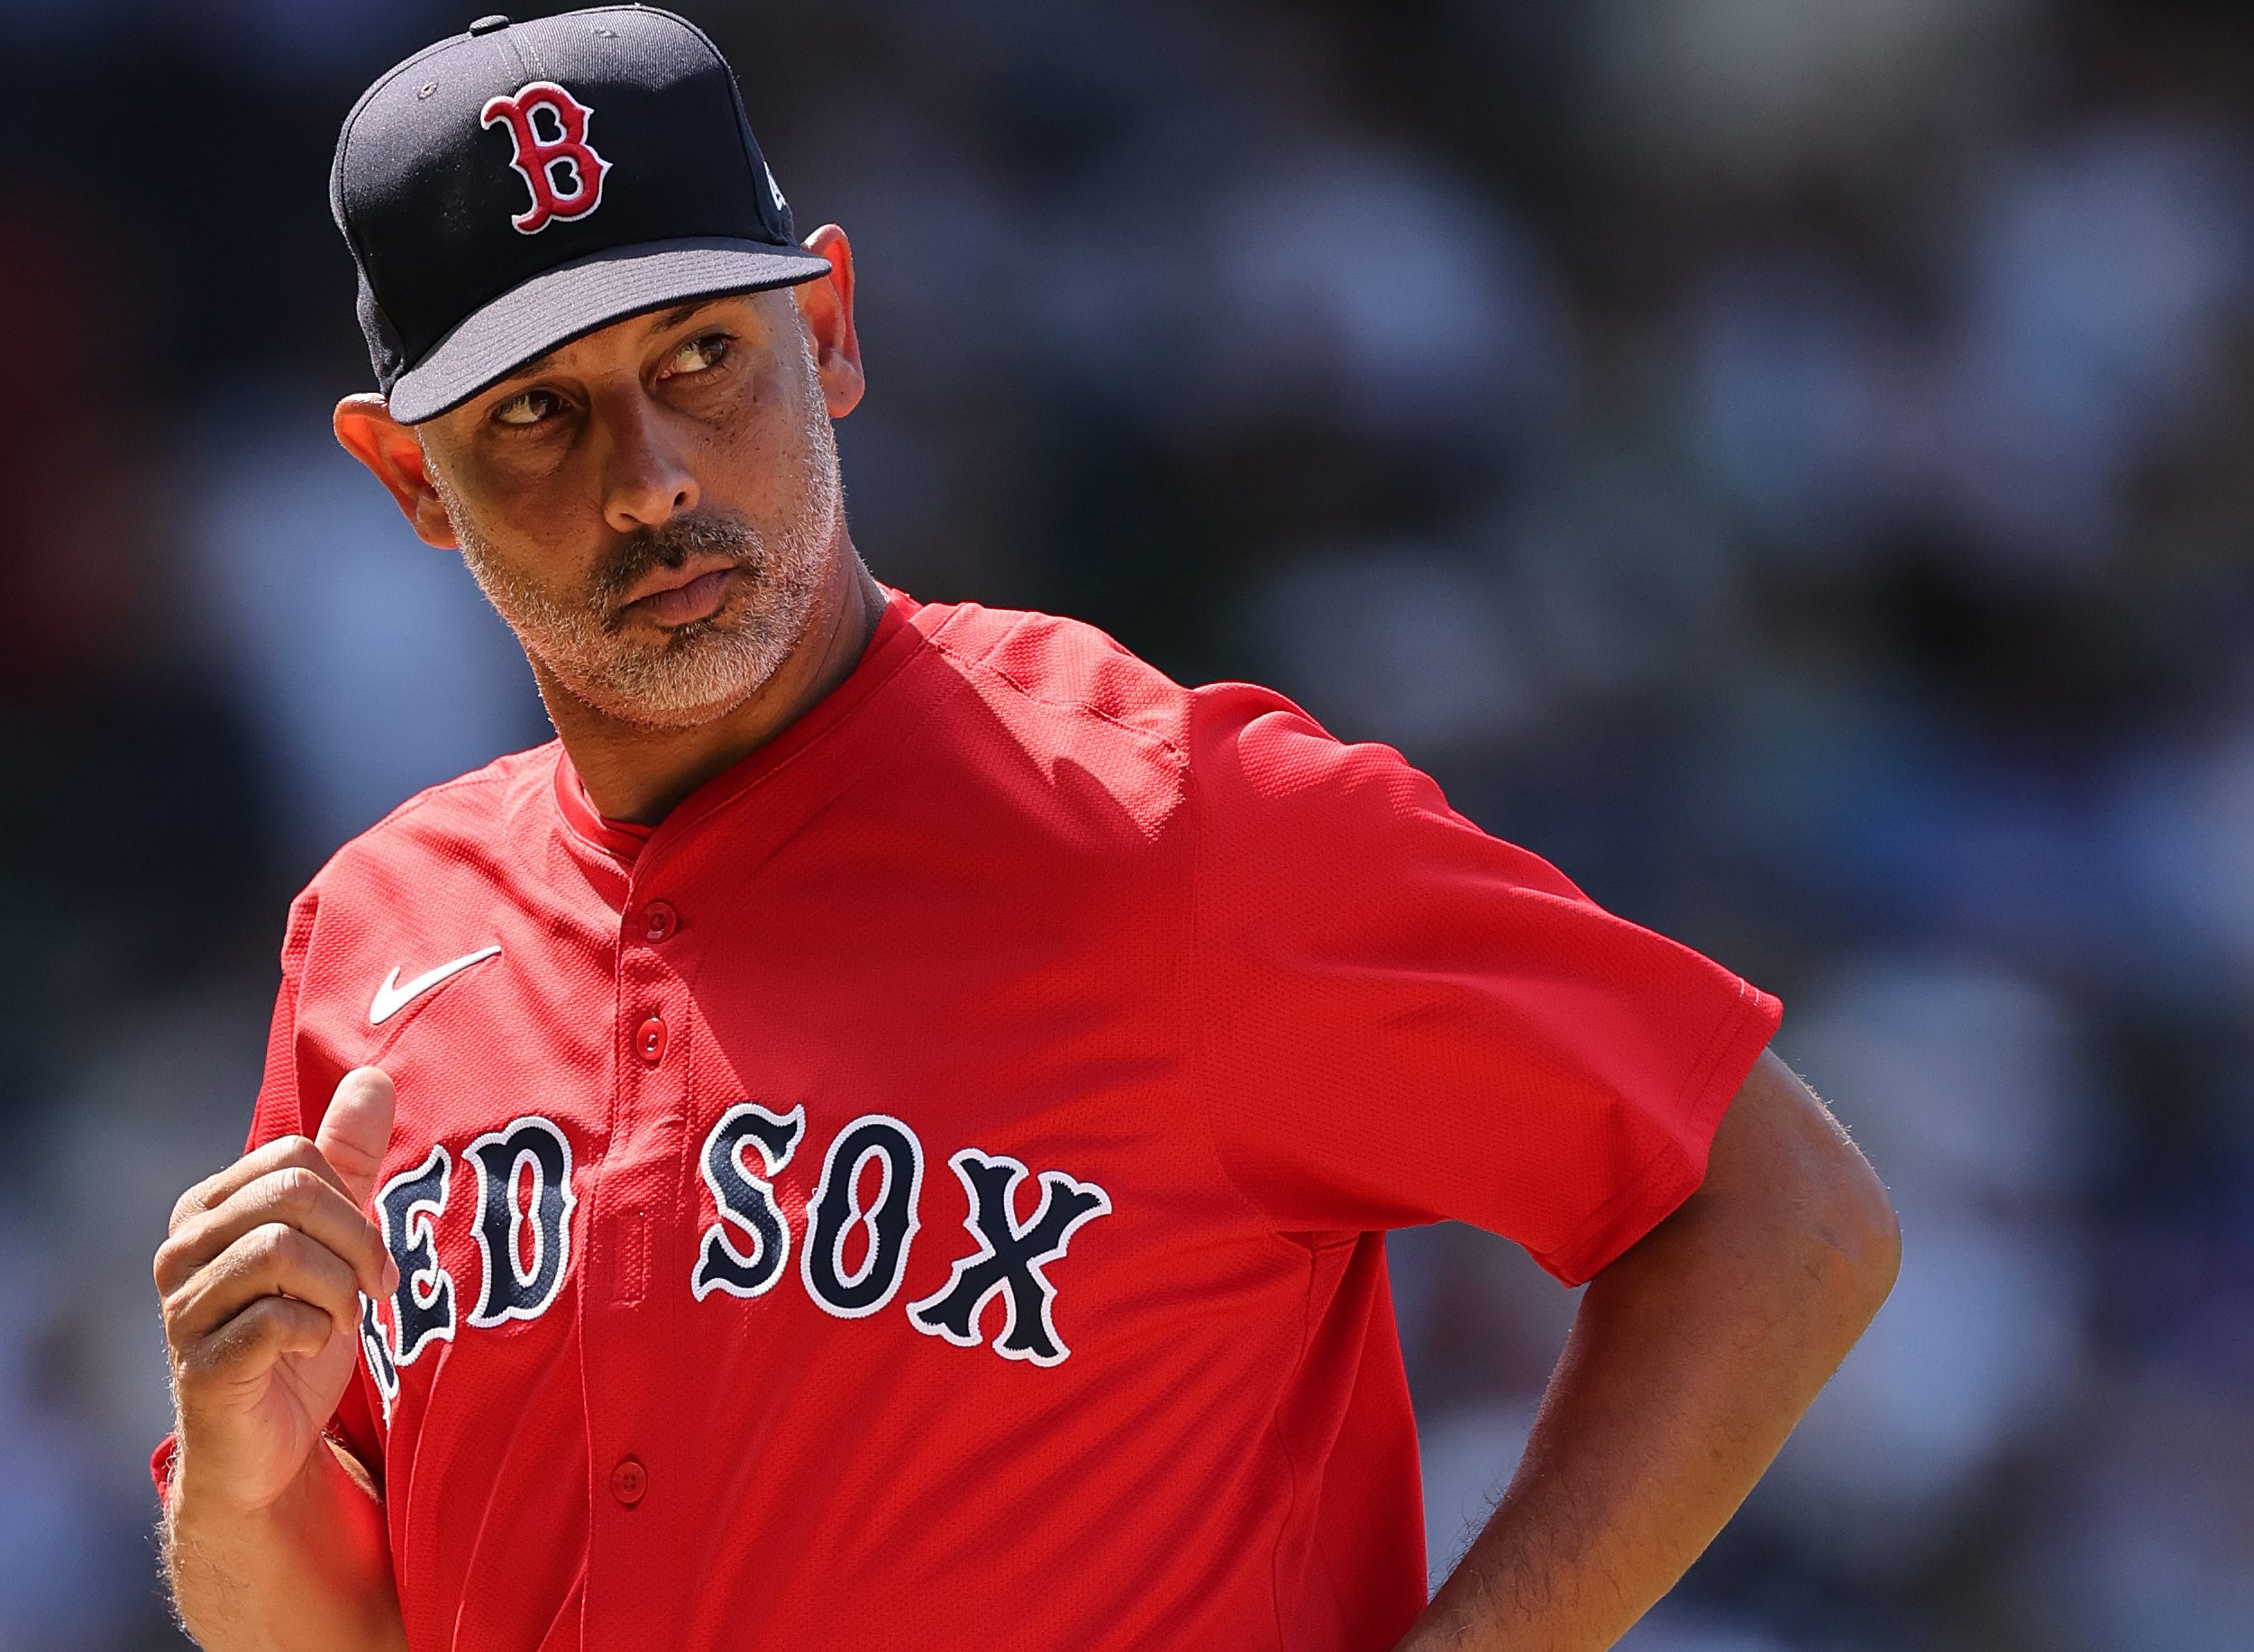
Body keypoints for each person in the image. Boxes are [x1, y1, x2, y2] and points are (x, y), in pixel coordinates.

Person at [149, 9, 1901, 1649]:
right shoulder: (375, 937)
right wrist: (241, 1478)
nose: (652, 474)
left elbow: (1781, 1210)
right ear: (404, 478)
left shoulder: (1174, 826)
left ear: (826, 330)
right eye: (536, 412)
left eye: (701, 354)